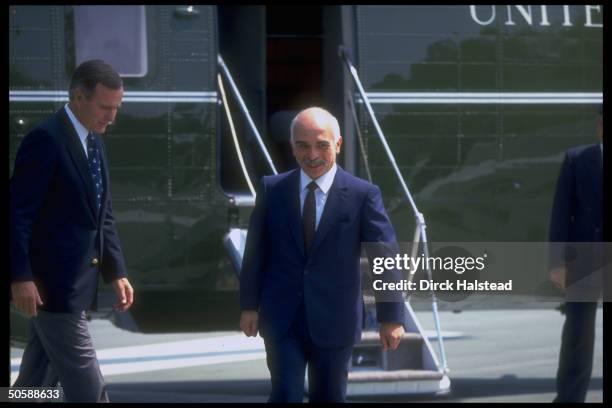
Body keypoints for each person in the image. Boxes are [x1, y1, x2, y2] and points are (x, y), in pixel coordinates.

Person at [239, 107, 406, 403]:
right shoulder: (272, 189)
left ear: (338, 145)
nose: (312, 154)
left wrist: (391, 317)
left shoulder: (362, 195)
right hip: (282, 318)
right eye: (303, 145)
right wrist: (249, 305)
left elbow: (385, 255)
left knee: (328, 397)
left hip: (335, 320)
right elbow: (255, 251)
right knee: (285, 395)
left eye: (322, 145)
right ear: (292, 147)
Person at [10, 59, 134, 402]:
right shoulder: (46, 140)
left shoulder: (93, 140)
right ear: (78, 97)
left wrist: (116, 271)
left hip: (73, 286)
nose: (112, 117)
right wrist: (20, 277)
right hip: (52, 290)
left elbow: (101, 214)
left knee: (33, 386)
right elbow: (17, 214)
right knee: (89, 390)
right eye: (105, 107)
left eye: (116, 108)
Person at [549, 105, 603, 403]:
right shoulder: (578, 159)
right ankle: (569, 398)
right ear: (599, 125)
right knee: (578, 337)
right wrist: (557, 263)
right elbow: (561, 214)